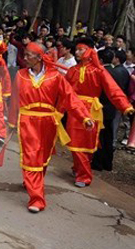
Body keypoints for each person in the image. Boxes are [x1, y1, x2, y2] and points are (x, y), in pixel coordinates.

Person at [7, 42, 92, 212]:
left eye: (28, 55)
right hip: (27, 122)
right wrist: (11, 121)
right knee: (32, 157)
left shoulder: (55, 76)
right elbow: (15, 99)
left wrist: (84, 116)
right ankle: (37, 199)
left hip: (48, 123)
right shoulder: (21, 75)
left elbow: (70, 97)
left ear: (39, 57)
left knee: (43, 158)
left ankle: (32, 181)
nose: (24, 58)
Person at [64, 38, 134, 187]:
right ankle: (79, 169)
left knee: (88, 144)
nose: (77, 52)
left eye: (80, 49)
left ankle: (84, 175)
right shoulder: (72, 71)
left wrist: (125, 106)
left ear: (90, 50)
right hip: (75, 110)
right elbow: (62, 91)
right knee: (75, 142)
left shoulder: (99, 71)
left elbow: (113, 90)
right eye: (76, 49)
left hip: (91, 110)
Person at [91, 50, 129, 171]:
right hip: (112, 107)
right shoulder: (122, 72)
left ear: (100, 60)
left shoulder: (101, 72)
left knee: (99, 136)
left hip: (100, 107)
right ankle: (108, 163)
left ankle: (97, 162)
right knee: (108, 135)